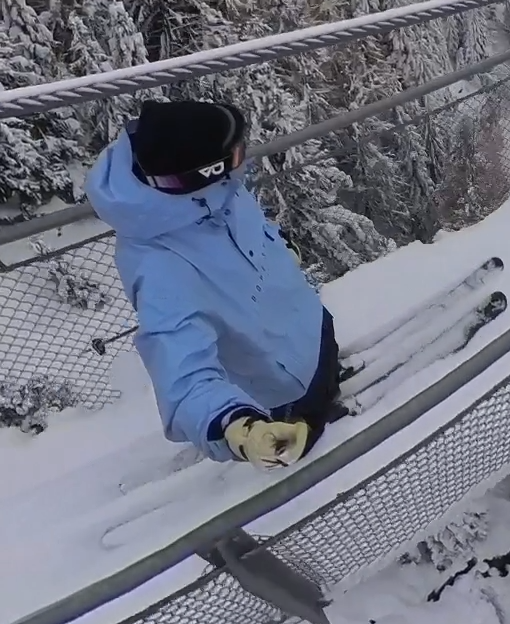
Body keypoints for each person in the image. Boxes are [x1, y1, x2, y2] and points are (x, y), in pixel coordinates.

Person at [85, 98, 347, 470]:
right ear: (206, 172)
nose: (243, 162)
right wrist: (240, 429)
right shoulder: (161, 267)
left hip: (311, 327)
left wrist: (281, 249)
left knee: (328, 370)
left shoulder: (212, 190)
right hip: (285, 388)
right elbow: (184, 378)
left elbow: (252, 227)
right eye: (237, 155)